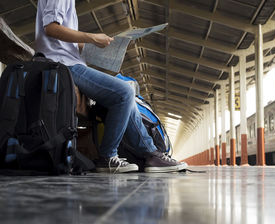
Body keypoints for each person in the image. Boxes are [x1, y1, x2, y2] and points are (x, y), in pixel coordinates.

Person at [35, 0, 187, 173]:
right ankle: (109, 157)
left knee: (124, 92)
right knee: (123, 92)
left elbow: (63, 40)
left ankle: (151, 154)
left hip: (67, 62)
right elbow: (51, 28)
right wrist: (91, 37)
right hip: (62, 65)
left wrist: (102, 49)